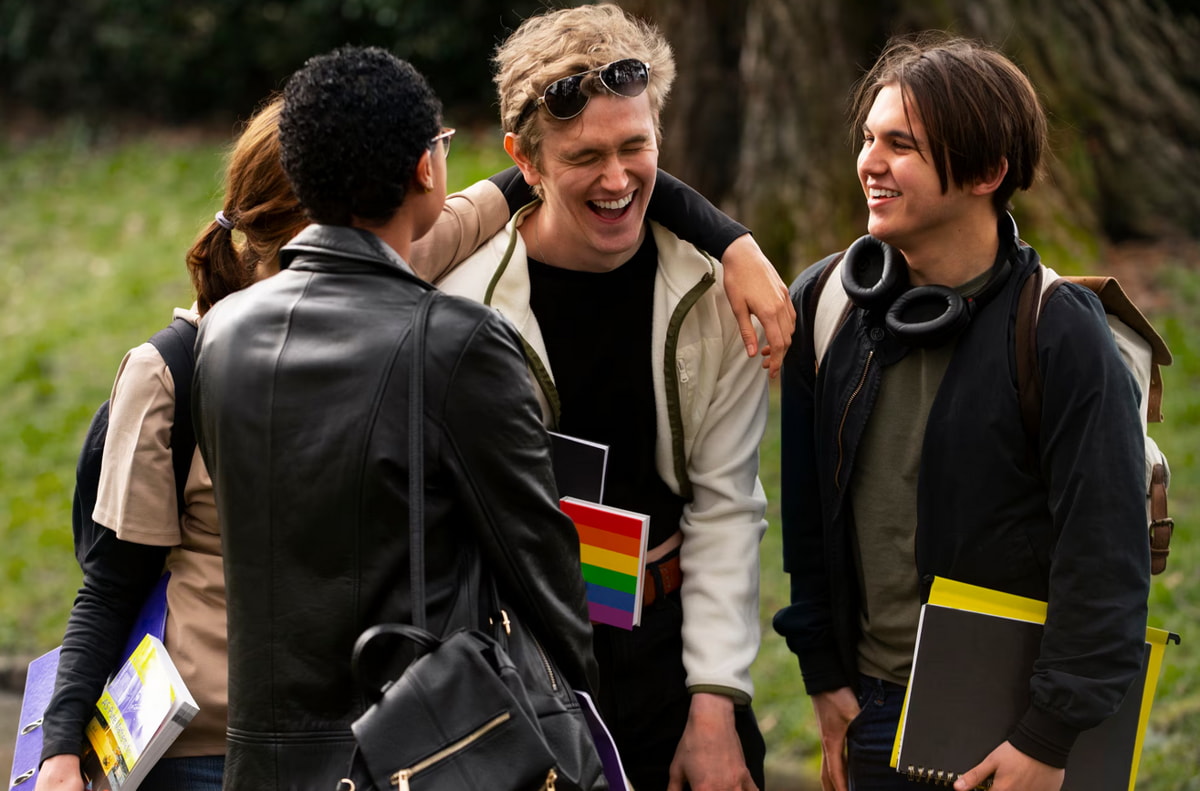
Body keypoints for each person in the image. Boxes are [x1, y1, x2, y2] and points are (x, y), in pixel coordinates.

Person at [189, 45, 604, 791]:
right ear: (425, 169)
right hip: (419, 756)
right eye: (441, 145)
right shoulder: (456, 344)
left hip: (262, 765)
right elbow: (541, 562)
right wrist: (581, 709)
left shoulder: (223, 337)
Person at [771, 32, 1150, 791]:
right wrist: (824, 677)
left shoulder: (1061, 331)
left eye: (900, 144)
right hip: (868, 708)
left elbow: (1105, 557)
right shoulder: (824, 301)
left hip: (1010, 728)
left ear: (985, 171)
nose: (869, 163)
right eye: (869, 138)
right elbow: (807, 516)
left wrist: (1047, 738)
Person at [438, 6, 770, 790]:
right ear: (527, 159)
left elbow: (726, 506)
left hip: (669, 643)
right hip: (515, 653)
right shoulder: (464, 301)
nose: (619, 180)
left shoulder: (711, 291)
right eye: (586, 156)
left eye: (636, 147)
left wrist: (716, 703)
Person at [35, 96, 307, 791]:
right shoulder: (170, 371)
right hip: (201, 758)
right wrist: (61, 747)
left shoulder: (387, 344)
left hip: (347, 744)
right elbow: (113, 580)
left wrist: (533, 167)